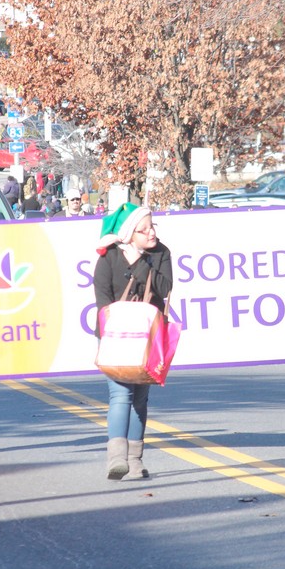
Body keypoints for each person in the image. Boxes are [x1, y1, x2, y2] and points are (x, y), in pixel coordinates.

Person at [93, 203, 173, 479]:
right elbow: (102, 299)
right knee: (120, 395)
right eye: (144, 229)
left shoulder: (161, 253)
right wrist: (111, 332)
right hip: (116, 337)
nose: (151, 233)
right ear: (129, 234)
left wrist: (139, 262)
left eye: (152, 226)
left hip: (148, 340)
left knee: (140, 399)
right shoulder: (109, 257)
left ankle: (135, 460)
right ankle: (116, 458)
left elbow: (164, 288)